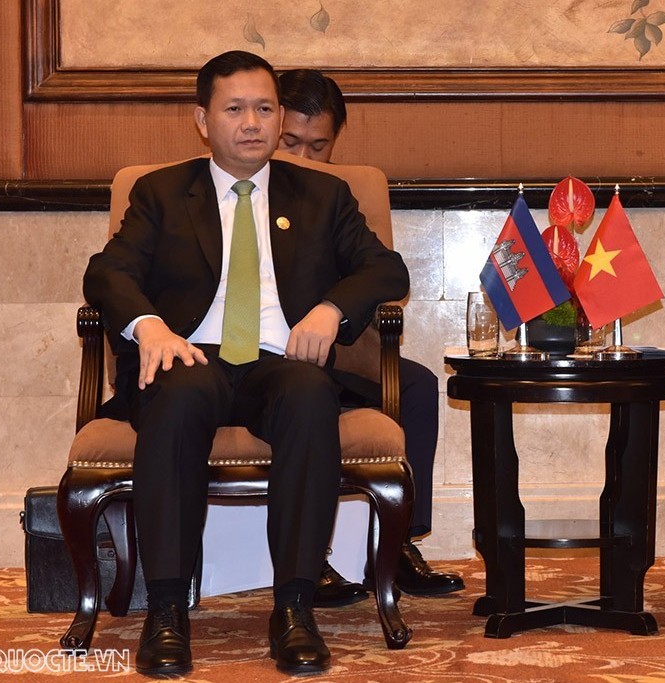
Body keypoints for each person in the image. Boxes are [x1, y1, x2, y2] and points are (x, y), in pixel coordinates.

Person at [83, 51, 409, 677]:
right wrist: (150, 327)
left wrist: (330, 311)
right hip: (188, 355)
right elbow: (108, 272)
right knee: (178, 394)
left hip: (275, 361)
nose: (253, 123)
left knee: (310, 394)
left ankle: (294, 608)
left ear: (279, 114)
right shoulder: (161, 193)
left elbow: (384, 269)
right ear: (202, 120)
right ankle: (168, 611)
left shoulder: (322, 193)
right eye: (234, 109)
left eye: (265, 108)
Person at [275, 68, 465, 606]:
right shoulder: (232, 191)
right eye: (291, 144)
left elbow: (386, 271)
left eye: (319, 147)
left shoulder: (333, 197)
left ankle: (398, 543)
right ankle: (309, 559)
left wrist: (332, 309)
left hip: (327, 354)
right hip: (250, 363)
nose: (304, 160)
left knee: (418, 385)